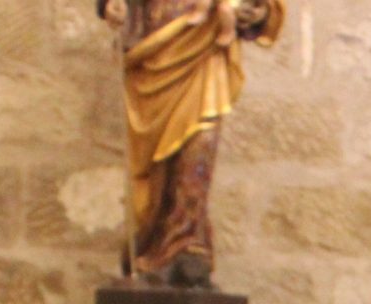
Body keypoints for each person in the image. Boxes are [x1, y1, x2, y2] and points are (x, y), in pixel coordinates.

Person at [114, 0, 283, 285]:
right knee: (155, 170)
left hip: (206, 46)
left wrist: (258, 11)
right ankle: (151, 244)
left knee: (199, 148)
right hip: (156, 46)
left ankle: (189, 246)